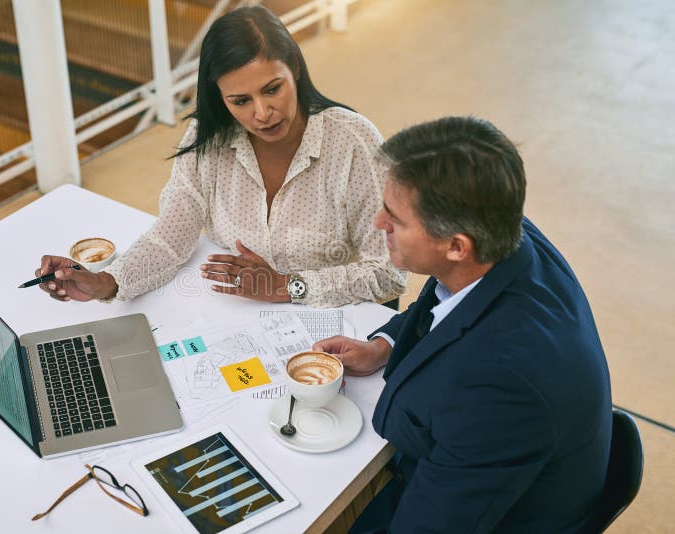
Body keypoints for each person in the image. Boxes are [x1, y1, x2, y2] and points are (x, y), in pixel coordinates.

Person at [314, 117, 612, 532]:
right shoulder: (503, 234)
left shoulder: (500, 389)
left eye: (395, 219)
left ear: (456, 246)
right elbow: (444, 301)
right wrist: (384, 345)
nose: (378, 222)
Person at [35, 5, 405, 307]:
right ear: (220, 98)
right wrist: (107, 282)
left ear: (294, 67)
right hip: (235, 318)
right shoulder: (206, 138)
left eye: (272, 89)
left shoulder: (354, 143)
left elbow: (389, 273)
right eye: (240, 101)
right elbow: (173, 232)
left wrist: (287, 286)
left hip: (335, 324)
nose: (262, 113)